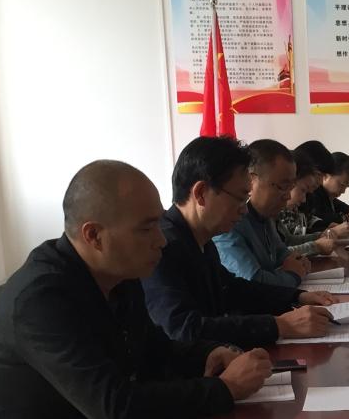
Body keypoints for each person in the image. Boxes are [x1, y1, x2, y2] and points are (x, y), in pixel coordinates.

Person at [0, 160, 271, 418]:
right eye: (146, 229)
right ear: (94, 235)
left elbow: (155, 348)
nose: (162, 240)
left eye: (159, 224)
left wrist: (208, 354)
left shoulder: (119, 274)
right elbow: (114, 406)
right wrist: (226, 388)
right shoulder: (40, 299)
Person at [143, 136, 338, 349]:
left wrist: (298, 296)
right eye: (239, 198)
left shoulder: (200, 239)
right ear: (201, 193)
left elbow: (232, 289)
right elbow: (182, 329)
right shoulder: (161, 248)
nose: (244, 209)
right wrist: (279, 326)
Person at [214, 139, 314, 287]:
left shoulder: (266, 216)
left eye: (291, 187)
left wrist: (298, 261)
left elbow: (283, 255)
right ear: (251, 180)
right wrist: (294, 275)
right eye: (283, 186)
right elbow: (253, 283)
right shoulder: (229, 221)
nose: (288, 196)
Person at [276, 149, 337, 257]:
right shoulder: (252, 219)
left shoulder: (271, 217)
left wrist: (320, 236)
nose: (321, 180)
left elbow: (289, 240)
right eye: (303, 190)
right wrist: (316, 246)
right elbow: (276, 256)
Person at [295, 140, 349, 238]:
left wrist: (326, 227)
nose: (320, 181)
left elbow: (309, 221)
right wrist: (330, 231)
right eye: (319, 175)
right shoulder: (312, 193)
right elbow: (290, 241)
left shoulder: (309, 194)